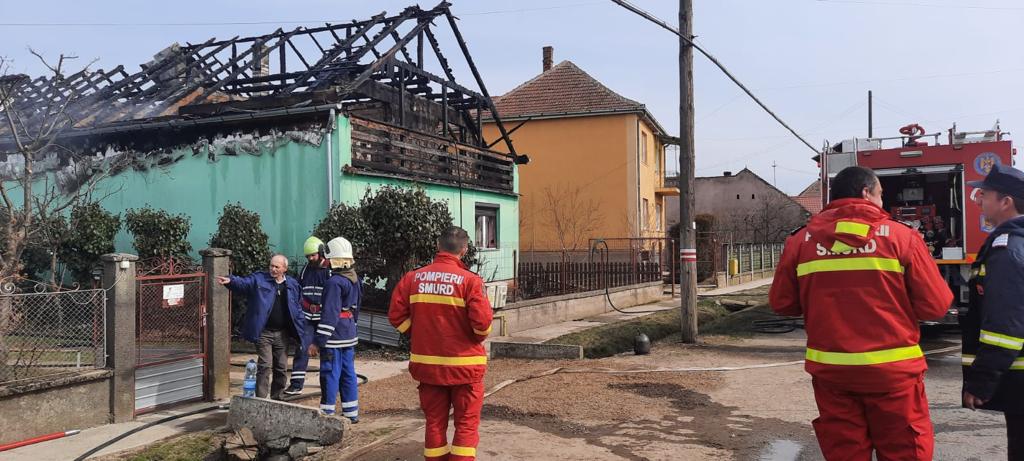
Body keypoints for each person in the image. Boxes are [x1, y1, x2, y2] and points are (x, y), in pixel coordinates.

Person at [769, 165, 952, 460]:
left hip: (833, 375)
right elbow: (936, 305)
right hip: (894, 375)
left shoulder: (800, 241)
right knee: (905, 451)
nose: (882, 202)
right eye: (881, 195)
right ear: (866, 193)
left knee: (846, 453)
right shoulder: (902, 237)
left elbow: (782, 304)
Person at [389, 226, 493, 461]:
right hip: (466, 367)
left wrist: (418, 333)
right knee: (466, 424)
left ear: (438, 246)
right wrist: (476, 337)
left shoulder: (413, 278)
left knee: (434, 423)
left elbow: (395, 315)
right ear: (464, 250)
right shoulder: (471, 281)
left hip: (428, 366)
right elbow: (482, 325)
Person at [962, 163, 1024, 460]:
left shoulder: (1007, 251)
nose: (978, 201)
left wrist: (981, 382)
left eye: (984, 194)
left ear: (1005, 201)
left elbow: (1005, 327)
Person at [217, 254, 305, 400]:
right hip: (264, 332)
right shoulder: (259, 279)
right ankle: (261, 399)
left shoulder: (292, 284)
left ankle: (277, 398)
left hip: (282, 333)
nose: (273, 269)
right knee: (265, 365)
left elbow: (297, 307)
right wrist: (231, 281)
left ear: (285, 268)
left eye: (277, 267)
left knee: (281, 367)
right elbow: (244, 283)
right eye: (271, 266)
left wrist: (301, 329)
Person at [308, 237, 362, 423]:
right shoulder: (354, 279)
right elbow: (357, 308)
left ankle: (327, 414)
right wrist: (353, 327)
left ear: (334, 260)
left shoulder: (334, 283)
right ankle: (351, 413)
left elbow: (330, 314)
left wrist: (318, 342)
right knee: (348, 373)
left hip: (334, 336)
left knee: (330, 373)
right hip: (349, 333)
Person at [283, 236, 332, 396]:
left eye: (313, 255)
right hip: (307, 317)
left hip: (323, 317)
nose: (310, 258)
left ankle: (328, 385)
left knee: (327, 351)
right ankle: (296, 385)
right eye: (308, 256)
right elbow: (299, 289)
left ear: (321, 253)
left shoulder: (330, 270)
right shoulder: (306, 270)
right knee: (302, 348)